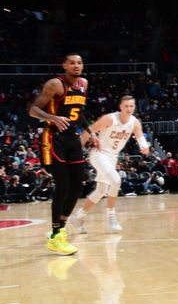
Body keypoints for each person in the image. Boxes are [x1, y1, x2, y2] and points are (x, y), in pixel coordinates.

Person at [28, 53, 98, 255]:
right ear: (64, 65)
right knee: (63, 185)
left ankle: (60, 229)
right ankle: (56, 235)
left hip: (72, 138)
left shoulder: (84, 83)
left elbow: (79, 111)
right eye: (72, 63)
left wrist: (92, 133)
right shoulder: (55, 84)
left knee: (77, 185)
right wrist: (52, 117)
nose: (76, 65)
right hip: (54, 138)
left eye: (79, 62)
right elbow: (33, 110)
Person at [69, 96, 149, 234]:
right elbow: (89, 130)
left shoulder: (134, 122)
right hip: (99, 153)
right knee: (116, 180)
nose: (129, 109)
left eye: (131, 106)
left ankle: (78, 217)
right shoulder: (110, 119)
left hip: (112, 158)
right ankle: (111, 215)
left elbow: (140, 135)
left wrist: (144, 146)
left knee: (101, 191)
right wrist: (78, 151)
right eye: (126, 106)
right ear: (120, 107)